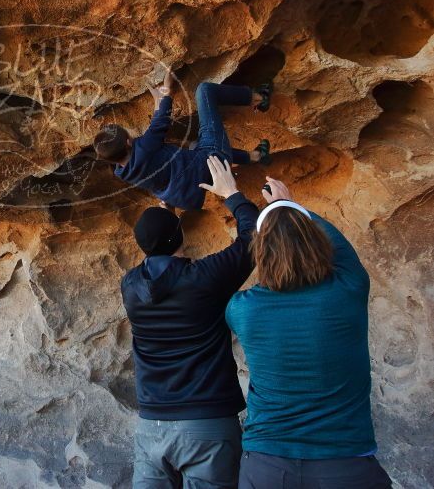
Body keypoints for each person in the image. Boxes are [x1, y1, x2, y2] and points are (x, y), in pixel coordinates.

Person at [226, 178, 393, 489]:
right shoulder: (349, 288)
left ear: (260, 254)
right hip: (345, 464)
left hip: (266, 466)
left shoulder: (242, 309)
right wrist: (288, 205)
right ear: (316, 242)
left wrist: (274, 209)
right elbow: (342, 249)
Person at [122, 155, 258, 488]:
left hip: (152, 426)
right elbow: (254, 237)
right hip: (207, 424)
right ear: (181, 238)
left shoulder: (131, 286)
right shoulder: (205, 278)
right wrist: (232, 193)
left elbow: (159, 244)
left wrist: (165, 210)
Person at [93, 73, 272, 211]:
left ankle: (255, 156)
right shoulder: (145, 148)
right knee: (204, 91)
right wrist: (167, 92)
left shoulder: (123, 172)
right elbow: (160, 122)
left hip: (198, 184)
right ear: (128, 142)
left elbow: (156, 129)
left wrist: (158, 102)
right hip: (211, 158)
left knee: (194, 145)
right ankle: (259, 98)